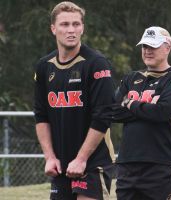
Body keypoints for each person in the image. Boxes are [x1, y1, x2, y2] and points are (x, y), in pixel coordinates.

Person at [33, 2, 115, 200]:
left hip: (93, 163)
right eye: (64, 24)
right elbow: (41, 115)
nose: (71, 30)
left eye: (76, 24)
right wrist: (50, 157)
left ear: (83, 28)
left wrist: (81, 159)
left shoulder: (97, 64)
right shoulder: (44, 66)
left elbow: (103, 116)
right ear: (53, 28)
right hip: (61, 166)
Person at [102, 26, 171, 200]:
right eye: (144, 46)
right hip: (127, 166)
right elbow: (113, 112)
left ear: (167, 47)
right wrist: (144, 108)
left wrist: (129, 103)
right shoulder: (130, 78)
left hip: (162, 165)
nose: (147, 51)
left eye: (153, 46)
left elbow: (161, 112)